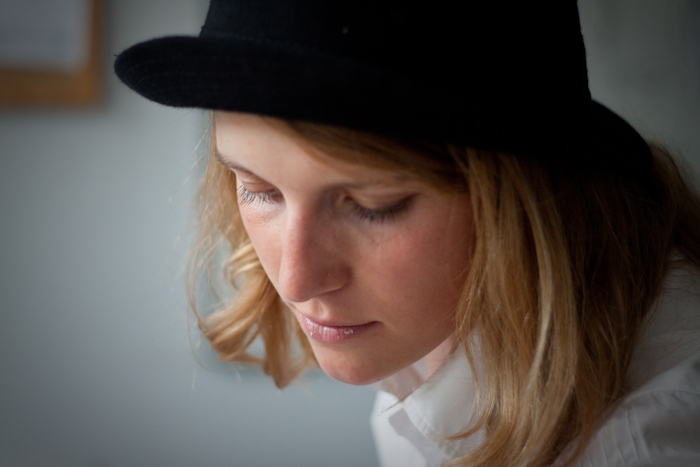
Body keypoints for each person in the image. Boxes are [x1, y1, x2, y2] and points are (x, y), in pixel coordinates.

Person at [115, 1, 700, 466]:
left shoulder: (643, 443)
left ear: (518, 199)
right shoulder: (434, 329)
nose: (296, 281)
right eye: (260, 190)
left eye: (374, 206)